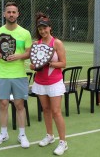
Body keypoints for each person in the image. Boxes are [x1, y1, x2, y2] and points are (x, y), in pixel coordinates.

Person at [0, 2, 32, 148]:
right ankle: (3, 133)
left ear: (18, 14)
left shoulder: (25, 33)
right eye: (9, 12)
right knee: (3, 104)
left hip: (19, 74)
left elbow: (28, 53)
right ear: (4, 14)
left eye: (14, 12)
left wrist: (18, 56)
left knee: (20, 104)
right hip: (2, 74)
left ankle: (22, 135)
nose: (11, 14)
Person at [30, 12, 68, 155]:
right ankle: (50, 136)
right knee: (45, 110)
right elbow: (33, 63)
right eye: (40, 29)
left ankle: (63, 142)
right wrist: (33, 66)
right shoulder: (36, 44)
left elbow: (63, 63)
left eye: (45, 28)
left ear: (50, 28)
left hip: (54, 82)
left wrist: (49, 63)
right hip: (40, 82)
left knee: (56, 112)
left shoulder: (56, 43)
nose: (43, 31)